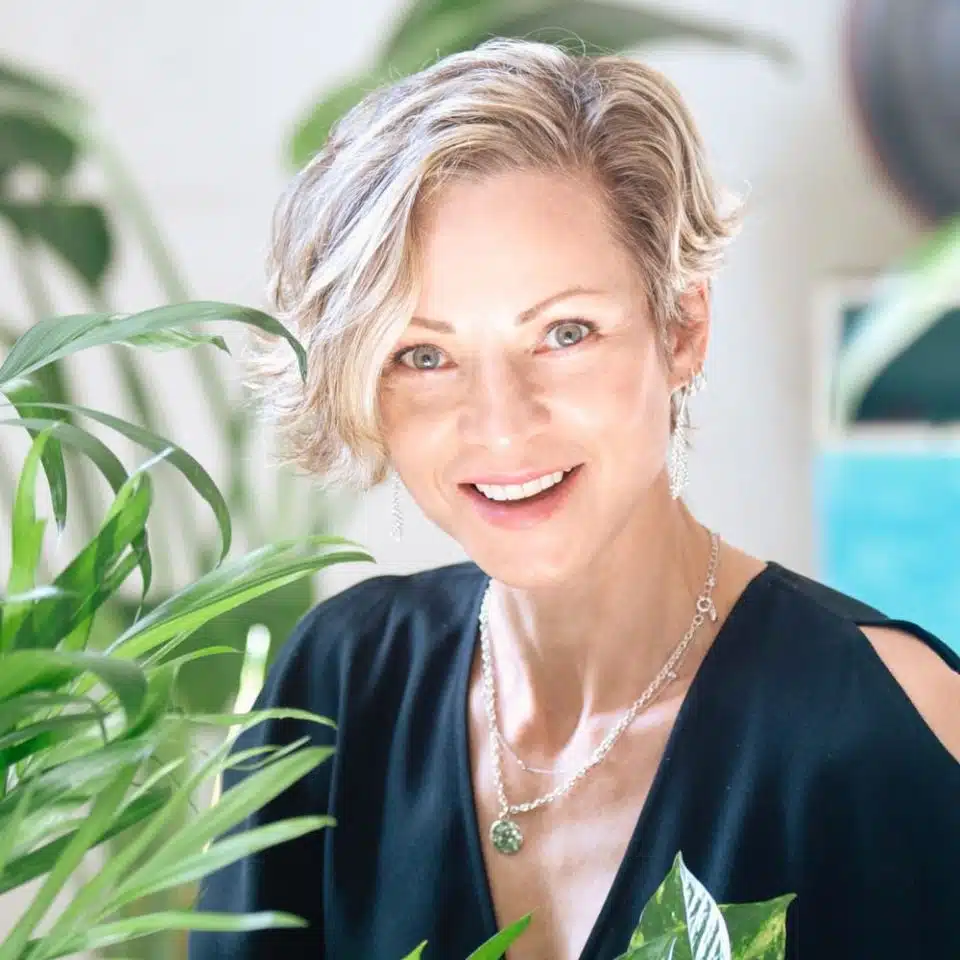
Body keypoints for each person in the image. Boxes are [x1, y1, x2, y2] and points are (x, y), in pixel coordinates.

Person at [187, 38, 960, 960]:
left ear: (681, 328)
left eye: (565, 332)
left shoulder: (881, 718)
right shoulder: (335, 693)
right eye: (424, 355)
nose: (502, 425)